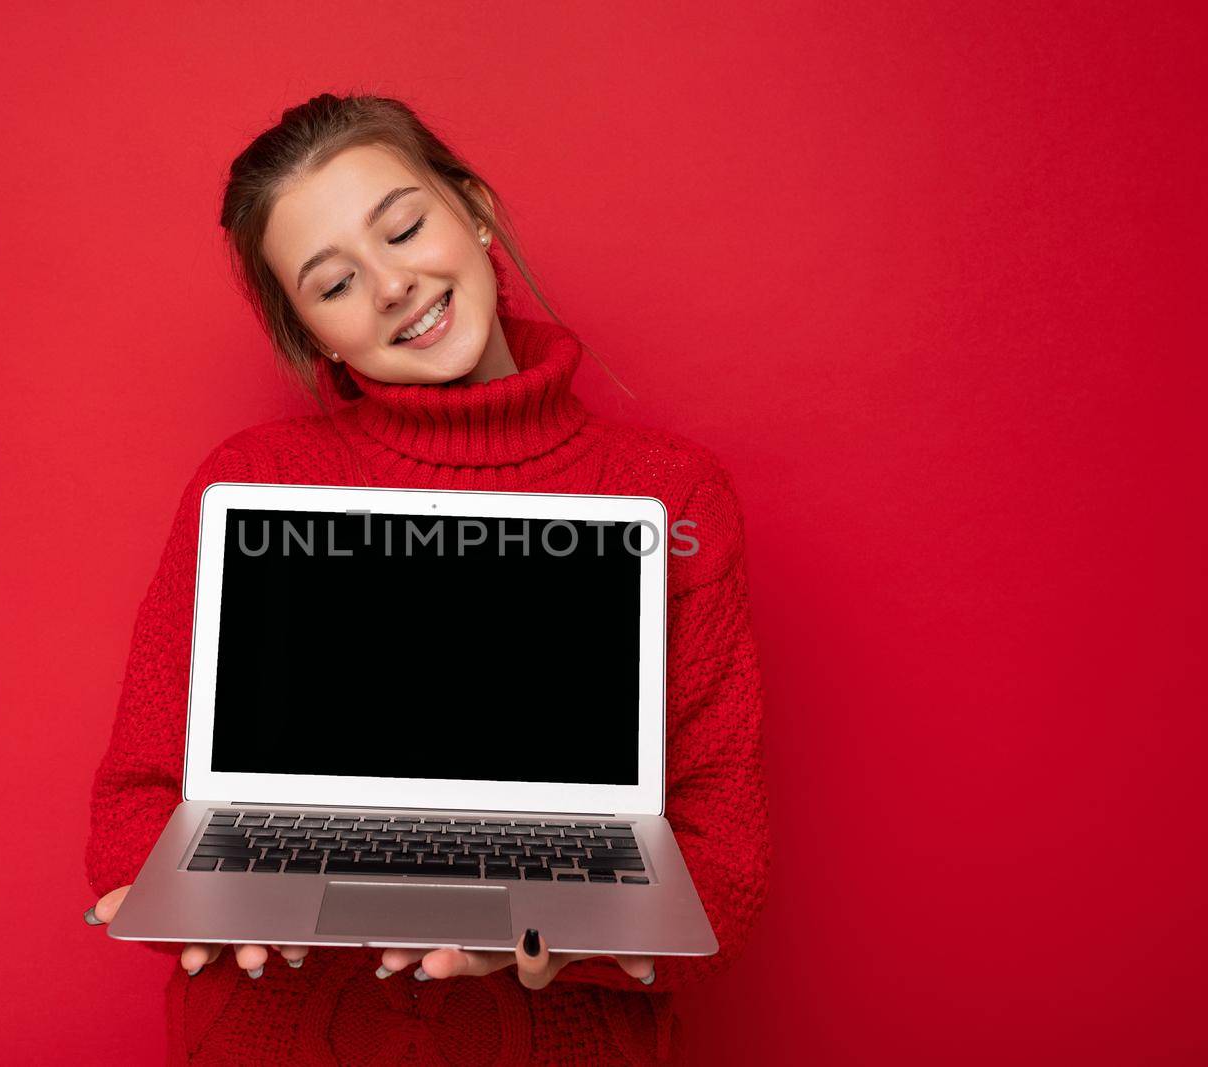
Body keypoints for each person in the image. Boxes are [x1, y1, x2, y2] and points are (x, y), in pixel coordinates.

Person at [82, 92, 771, 1065]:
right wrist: (192, 893)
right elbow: (133, 813)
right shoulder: (254, 485)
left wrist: (573, 928)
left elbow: (722, 869)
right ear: (312, 334)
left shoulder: (671, 494)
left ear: (474, 208)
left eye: (403, 228)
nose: (392, 285)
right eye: (333, 283)